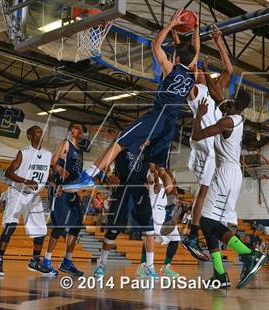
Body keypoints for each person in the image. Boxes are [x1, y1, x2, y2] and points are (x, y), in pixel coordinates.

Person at [63, 9, 199, 200]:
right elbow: (195, 52)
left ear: (176, 58)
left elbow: (156, 45)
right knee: (159, 166)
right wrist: (196, 31)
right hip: (170, 125)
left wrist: (171, 25)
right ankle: (171, 201)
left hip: (157, 117)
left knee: (119, 141)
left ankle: (90, 176)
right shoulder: (193, 74)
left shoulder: (170, 69)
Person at [191, 89, 267, 289]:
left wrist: (199, 114)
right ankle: (219, 274)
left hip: (226, 174)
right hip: (227, 173)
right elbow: (219, 97)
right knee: (209, 226)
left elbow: (197, 135)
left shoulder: (227, 122)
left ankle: (249, 255)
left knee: (206, 222)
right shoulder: (237, 118)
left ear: (234, 101)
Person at [181, 24, 233, 262]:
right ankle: (191, 234)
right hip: (203, 140)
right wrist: (192, 35)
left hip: (214, 143)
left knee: (210, 193)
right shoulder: (193, 88)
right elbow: (191, 57)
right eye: (200, 70)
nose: (206, 73)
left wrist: (218, 41)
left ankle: (200, 233)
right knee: (204, 191)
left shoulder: (212, 93)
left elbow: (229, 70)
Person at [0, 126, 52, 277]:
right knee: (10, 226)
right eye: (37, 131)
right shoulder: (23, 153)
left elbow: (48, 174)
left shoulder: (47, 155)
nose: (40, 133)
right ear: (30, 136)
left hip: (34, 196)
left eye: (41, 132)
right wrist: (26, 180)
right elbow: (8, 172)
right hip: (17, 193)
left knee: (41, 230)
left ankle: (35, 261)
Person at [93, 148, 157, 278]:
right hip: (123, 189)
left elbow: (153, 169)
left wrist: (156, 179)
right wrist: (110, 176)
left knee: (149, 231)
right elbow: (104, 164)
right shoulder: (122, 143)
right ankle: (101, 265)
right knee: (113, 231)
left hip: (140, 191)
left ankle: (150, 267)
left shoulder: (148, 148)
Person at [40, 123, 85, 277]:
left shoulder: (80, 151)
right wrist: (60, 169)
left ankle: (67, 261)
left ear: (81, 133)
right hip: (60, 189)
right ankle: (46, 260)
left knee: (77, 225)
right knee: (59, 225)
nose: (73, 130)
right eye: (71, 128)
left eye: (77, 128)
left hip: (73, 191)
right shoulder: (65, 144)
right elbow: (52, 161)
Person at [144, 164, 181, 277]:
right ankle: (145, 266)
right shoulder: (153, 176)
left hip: (164, 212)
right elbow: (151, 178)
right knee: (150, 237)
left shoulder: (167, 180)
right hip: (154, 211)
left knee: (175, 238)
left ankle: (166, 266)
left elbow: (171, 194)